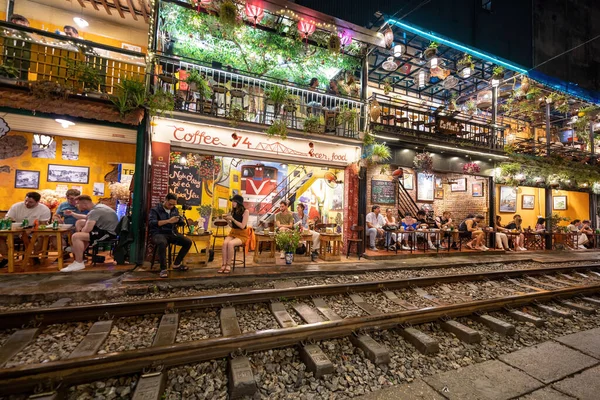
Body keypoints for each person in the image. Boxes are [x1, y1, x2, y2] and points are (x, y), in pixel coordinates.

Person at [61, 195, 119, 272]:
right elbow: (87, 218)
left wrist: (80, 234)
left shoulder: (95, 211)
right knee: (79, 222)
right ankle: (79, 250)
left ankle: (79, 262)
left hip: (109, 233)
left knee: (76, 236)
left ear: (84, 204)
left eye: (78, 203)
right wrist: (72, 213)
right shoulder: (98, 206)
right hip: (104, 229)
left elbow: (87, 229)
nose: (76, 205)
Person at [0, 192, 52, 268]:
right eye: (26, 201)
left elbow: (43, 224)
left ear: (37, 202)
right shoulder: (16, 206)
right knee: (0, 237)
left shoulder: (44, 209)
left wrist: (31, 229)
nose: (27, 203)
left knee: (42, 236)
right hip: (16, 228)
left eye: (31, 202)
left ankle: (34, 255)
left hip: (34, 229)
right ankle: (6, 257)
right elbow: (8, 219)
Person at [147, 193, 192, 278]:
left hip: (172, 233)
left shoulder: (175, 210)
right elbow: (152, 223)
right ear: (165, 200)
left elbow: (177, 221)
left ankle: (176, 264)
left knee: (188, 242)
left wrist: (180, 221)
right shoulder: (155, 210)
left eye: (174, 204)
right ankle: (163, 269)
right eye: (170, 204)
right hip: (158, 233)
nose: (171, 206)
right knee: (162, 243)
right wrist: (168, 221)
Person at [219, 195, 250, 274]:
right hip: (233, 232)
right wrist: (227, 220)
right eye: (232, 201)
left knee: (230, 244)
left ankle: (228, 265)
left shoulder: (245, 211)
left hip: (242, 234)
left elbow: (242, 226)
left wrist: (232, 219)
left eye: (234, 201)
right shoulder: (233, 211)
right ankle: (223, 264)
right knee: (225, 243)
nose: (232, 203)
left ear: (238, 202)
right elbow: (232, 226)